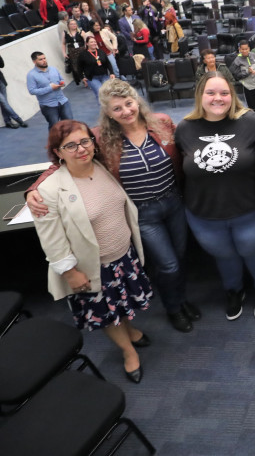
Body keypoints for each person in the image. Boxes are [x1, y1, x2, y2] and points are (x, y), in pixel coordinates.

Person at [27, 80, 201, 333]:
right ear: (108, 112)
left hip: (174, 202)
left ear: (137, 102)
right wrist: (34, 188)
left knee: (180, 258)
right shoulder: (100, 137)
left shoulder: (162, 122)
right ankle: (174, 307)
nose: (126, 111)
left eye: (129, 104)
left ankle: (182, 299)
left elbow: (186, 147)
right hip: (143, 213)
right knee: (168, 264)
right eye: (117, 108)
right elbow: (60, 162)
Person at [32, 120, 153, 383]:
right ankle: (128, 352)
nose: (81, 149)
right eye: (70, 145)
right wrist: (70, 272)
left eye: (85, 141)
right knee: (109, 314)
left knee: (123, 305)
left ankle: (131, 333)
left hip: (123, 255)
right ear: (58, 152)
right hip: (92, 268)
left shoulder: (100, 167)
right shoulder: (48, 191)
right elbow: (51, 240)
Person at [174, 71, 255, 321]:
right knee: (224, 256)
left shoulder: (251, 121)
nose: (218, 98)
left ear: (233, 95)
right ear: (200, 96)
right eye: (211, 92)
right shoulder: (185, 128)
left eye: (224, 93)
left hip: (249, 210)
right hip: (204, 214)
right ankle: (234, 291)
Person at [26, 52, 73, 128]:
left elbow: (61, 79)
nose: (44, 60)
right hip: (48, 105)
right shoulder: (31, 75)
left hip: (63, 101)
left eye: (44, 58)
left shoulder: (53, 69)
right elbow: (32, 91)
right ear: (34, 61)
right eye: (40, 59)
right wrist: (50, 88)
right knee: (54, 127)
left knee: (70, 124)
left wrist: (62, 83)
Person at [230, 40, 255, 118]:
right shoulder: (237, 61)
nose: (244, 51)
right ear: (239, 49)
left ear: (249, 49)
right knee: (252, 109)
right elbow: (236, 75)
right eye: (242, 49)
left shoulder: (254, 55)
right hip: (248, 87)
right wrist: (247, 72)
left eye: (246, 49)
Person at [78, 35, 115, 99]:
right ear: (87, 43)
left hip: (104, 75)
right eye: (91, 42)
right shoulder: (83, 54)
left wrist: (111, 73)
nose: (94, 43)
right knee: (100, 93)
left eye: (94, 42)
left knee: (108, 93)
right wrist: (82, 77)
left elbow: (108, 63)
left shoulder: (101, 52)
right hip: (92, 78)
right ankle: (103, 108)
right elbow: (79, 67)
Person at [0, 56, 27, 129]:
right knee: (4, 102)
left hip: (1, 81)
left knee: (4, 103)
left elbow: (2, 65)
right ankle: (18, 119)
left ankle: (7, 121)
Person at [63, 19, 86, 85]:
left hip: (81, 50)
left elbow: (85, 41)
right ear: (68, 25)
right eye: (72, 24)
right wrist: (64, 53)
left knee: (84, 65)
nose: (74, 25)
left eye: (75, 24)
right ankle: (82, 78)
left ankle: (86, 79)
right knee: (76, 67)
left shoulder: (81, 32)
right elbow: (63, 44)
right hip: (72, 52)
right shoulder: (65, 33)